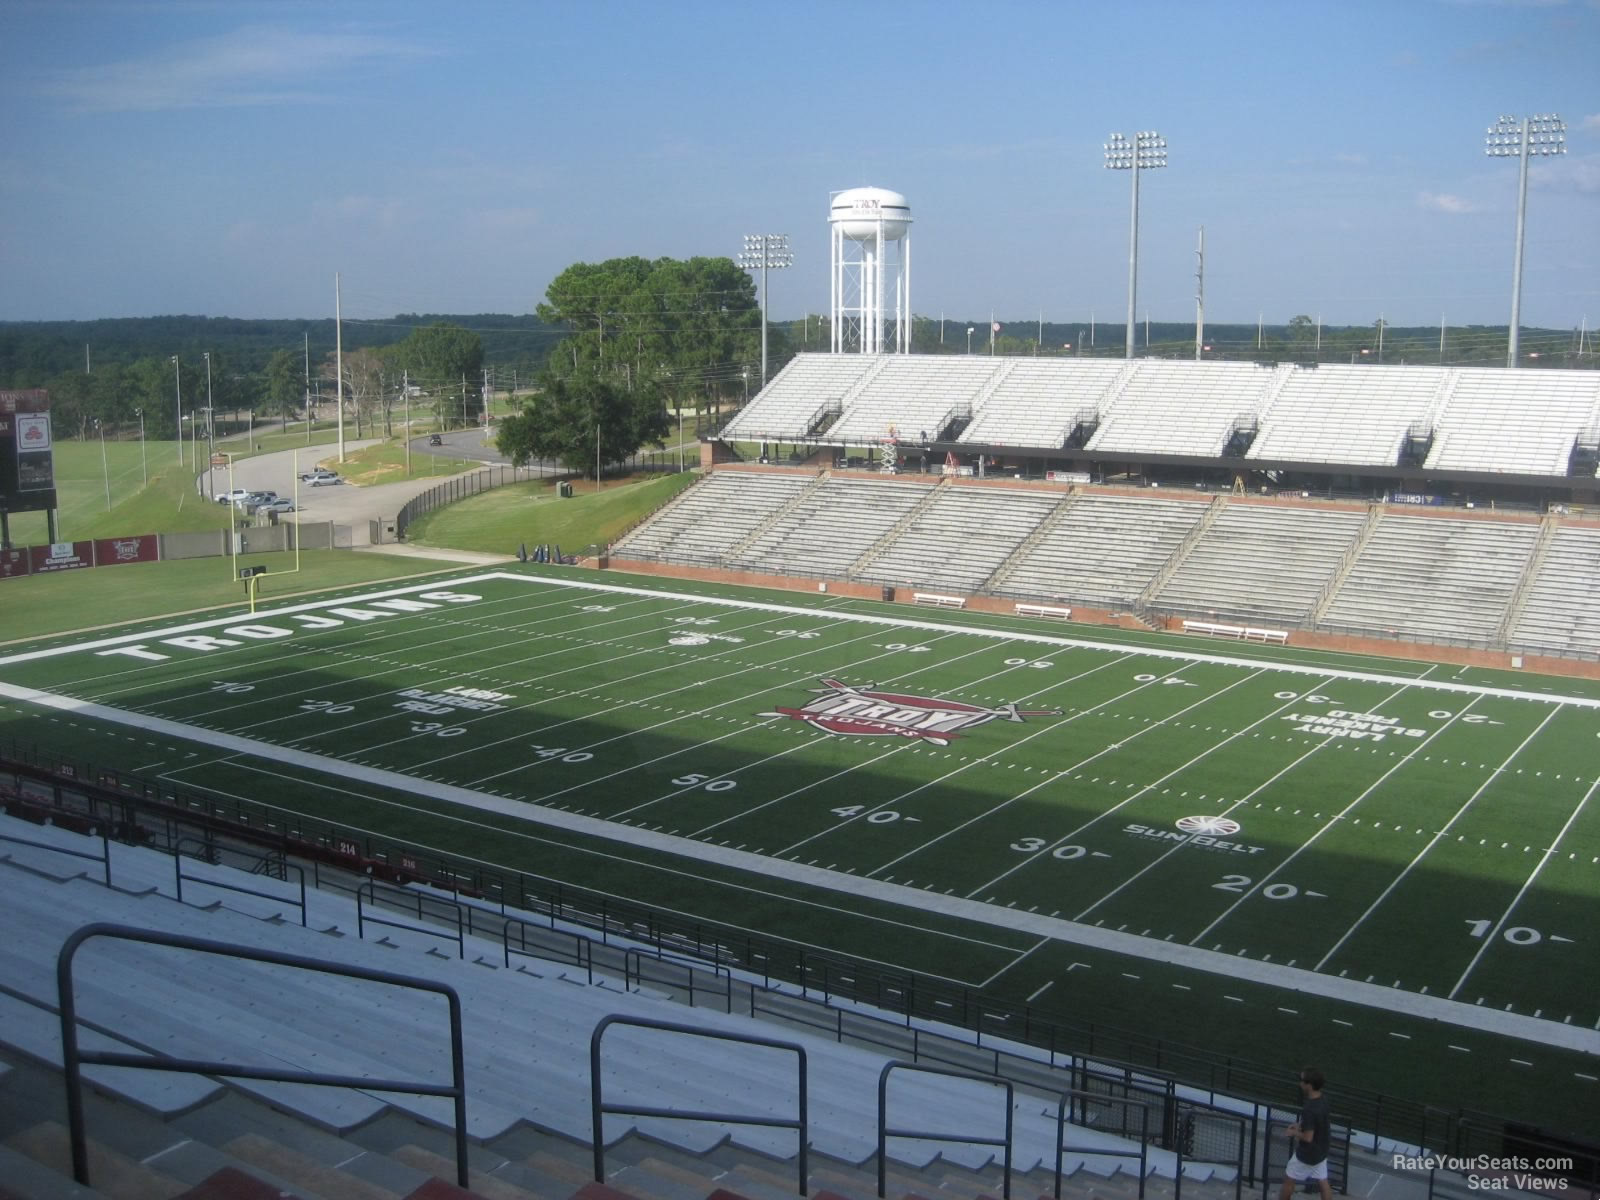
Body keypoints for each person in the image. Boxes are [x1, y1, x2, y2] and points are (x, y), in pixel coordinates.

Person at [1279, 1067, 1332, 1200]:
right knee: (1323, 1182)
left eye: (1302, 1080)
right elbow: (1317, 1124)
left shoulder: (1309, 1109)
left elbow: (1308, 1138)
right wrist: (1300, 1125)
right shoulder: (1323, 1099)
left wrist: (1293, 1132)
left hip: (1307, 1154)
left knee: (1288, 1180)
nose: (1300, 1083)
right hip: (1322, 1149)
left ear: (1309, 1085)